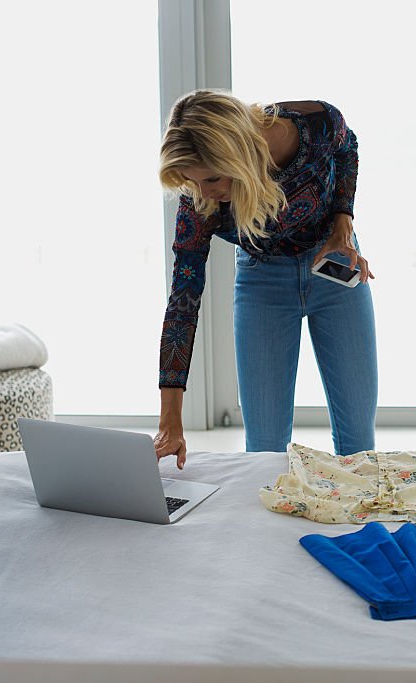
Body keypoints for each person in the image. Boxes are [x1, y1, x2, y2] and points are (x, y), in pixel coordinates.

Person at [154, 90, 378, 468]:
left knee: (359, 446)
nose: (206, 195)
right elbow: (182, 304)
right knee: (264, 452)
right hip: (263, 284)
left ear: (238, 154)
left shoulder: (308, 126)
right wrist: (169, 421)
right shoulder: (199, 202)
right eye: (194, 183)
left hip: (332, 267)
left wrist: (343, 221)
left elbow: (347, 145)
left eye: (213, 178)